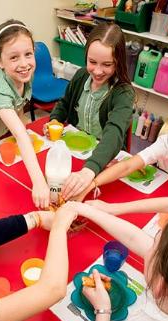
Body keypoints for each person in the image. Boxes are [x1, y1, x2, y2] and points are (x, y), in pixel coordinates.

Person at [47, 22, 135, 200]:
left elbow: (114, 133)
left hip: (102, 160)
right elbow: (64, 104)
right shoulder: (80, 76)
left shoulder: (123, 93)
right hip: (75, 150)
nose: (98, 71)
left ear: (118, 63)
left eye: (107, 64)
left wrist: (90, 169)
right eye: (92, 62)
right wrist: (55, 120)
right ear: (86, 56)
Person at [0, 20, 49, 208]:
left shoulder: (24, 75)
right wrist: (39, 183)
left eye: (28, 54)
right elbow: (20, 134)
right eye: (14, 58)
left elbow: (18, 107)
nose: (24, 64)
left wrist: (26, 131)